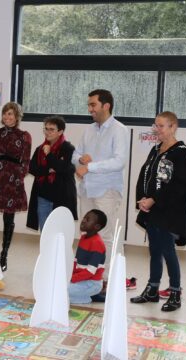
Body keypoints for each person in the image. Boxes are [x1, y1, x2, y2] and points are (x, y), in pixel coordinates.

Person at [130, 111, 186, 312]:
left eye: (161, 126)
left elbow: (179, 186)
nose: (156, 129)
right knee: (155, 251)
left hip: (169, 212)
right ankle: (152, 288)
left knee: (168, 251)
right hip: (152, 209)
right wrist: (142, 198)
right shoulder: (156, 150)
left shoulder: (182, 153)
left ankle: (175, 292)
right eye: (155, 125)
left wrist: (155, 200)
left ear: (173, 126)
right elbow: (146, 175)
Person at [72, 89, 129, 283]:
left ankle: (106, 279)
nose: (90, 109)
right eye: (89, 105)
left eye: (93, 105)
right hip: (87, 189)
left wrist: (89, 167)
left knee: (105, 234)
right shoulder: (88, 130)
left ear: (106, 106)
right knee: (87, 232)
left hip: (107, 190)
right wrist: (80, 158)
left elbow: (119, 161)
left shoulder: (119, 129)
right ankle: (87, 273)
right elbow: (75, 154)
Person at [0, 102, 32, 271]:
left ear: (17, 117)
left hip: (12, 181)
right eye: (5, 114)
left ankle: (4, 255)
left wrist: (16, 176)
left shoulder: (24, 136)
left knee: (8, 220)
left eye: (10, 114)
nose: (7, 117)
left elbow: (26, 162)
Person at [26, 116, 77, 232]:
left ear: (60, 131)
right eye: (46, 129)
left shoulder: (68, 148)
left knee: (60, 233)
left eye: (51, 129)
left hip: (61, 197)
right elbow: (32, 168)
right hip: (42, 197)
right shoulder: (40, 149)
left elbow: (63, 168)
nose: (47, 132)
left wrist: (49, 155)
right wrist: (49, 170)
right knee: (46, 233)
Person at [69, 209, 107, 304]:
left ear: (96, 227)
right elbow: (76, 261)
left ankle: (90, 297)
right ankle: (84, 295)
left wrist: (72, 279)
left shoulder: (97, 243)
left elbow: (90, 271)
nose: (84, 220)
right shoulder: (84, 237)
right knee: (57, 286)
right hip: (82, 280)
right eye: (84, 218)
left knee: (60, 292)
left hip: (92, 283)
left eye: (88, 219)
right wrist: (70, 275)